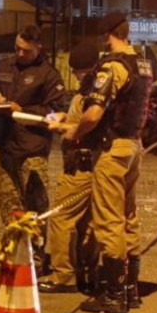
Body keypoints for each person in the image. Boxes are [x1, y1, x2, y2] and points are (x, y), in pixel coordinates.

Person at [68, 13, 151, 313]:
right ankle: (131, 287)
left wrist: (74, 131)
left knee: (108, 219)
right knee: (128, 216)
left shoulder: (113, 67)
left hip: (113, 149)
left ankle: (113, 293)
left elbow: (93, 114)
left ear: (107, 36)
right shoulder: (143, 64)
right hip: (134, 146)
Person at [0, 25, 66, 226]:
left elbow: (55, 112)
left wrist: (20, 109)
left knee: (35, 208)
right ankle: (14, 254)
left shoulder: (49, 75)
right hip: (7, 146)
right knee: (9, 207)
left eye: (26, 50)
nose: (20, 53)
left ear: (39, 48)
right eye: (17, 48)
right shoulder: (3, 67)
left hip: (32, 149)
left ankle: (36, 255)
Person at [38, 38, 102, 294]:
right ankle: (87, 272)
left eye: (76, 70)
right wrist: (64, 116)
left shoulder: (91, 92)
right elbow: (80, 118)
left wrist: (62, 128)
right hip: (88, 166)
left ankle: (62, 274)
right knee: (86, 223)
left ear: (84, 68)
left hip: (80, 166)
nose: (74, 75)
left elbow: (87, 127)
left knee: (62, 219)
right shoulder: (90, 91)